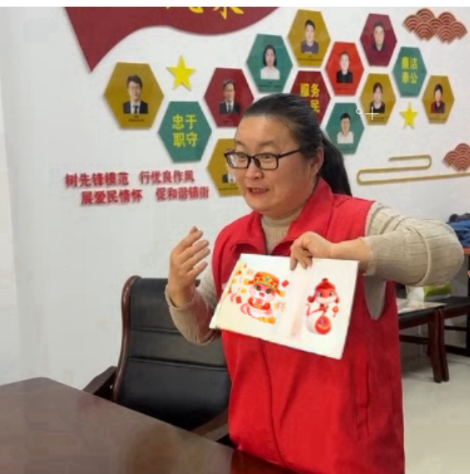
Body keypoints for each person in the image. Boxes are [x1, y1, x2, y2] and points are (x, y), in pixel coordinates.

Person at [166, 93, 463, 474]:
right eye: (241, 156)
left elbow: (446, 250)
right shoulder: (233, 240)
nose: (251, 172)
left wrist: (349, 253)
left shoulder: (356, 221)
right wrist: (181, 294)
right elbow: (204, 330)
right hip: (255, 451)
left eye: (267, 157)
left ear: (314, 160)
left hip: (346, 460)